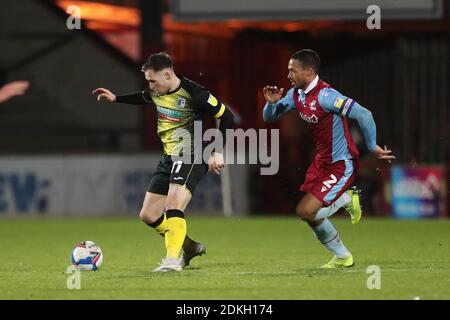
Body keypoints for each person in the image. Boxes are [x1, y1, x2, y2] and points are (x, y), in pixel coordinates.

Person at [93, 52, 234, 272]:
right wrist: (117, 98)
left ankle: (171, 262)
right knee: (148, 215)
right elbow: (143, 97)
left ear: (167, 74)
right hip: (168, 157)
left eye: (152, 80)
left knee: (172, 205)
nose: (150, 85)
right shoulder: (157, 91)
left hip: (191, 154)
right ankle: (189, 246)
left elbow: (226, 116)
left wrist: (217, 151)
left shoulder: (195, 94)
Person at [262, 49, 395, 268]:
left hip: (342, 164)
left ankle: (347, 199)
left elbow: (364, 114)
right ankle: (343, 256)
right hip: (322, 163)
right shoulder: (297, 94)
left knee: (306, 211)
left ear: (308, 72)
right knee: (307, 214)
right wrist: (271, 103)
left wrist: (372, 146)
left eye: (292, 71)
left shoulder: (326, 96)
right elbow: (269, 118)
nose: (288, 76)